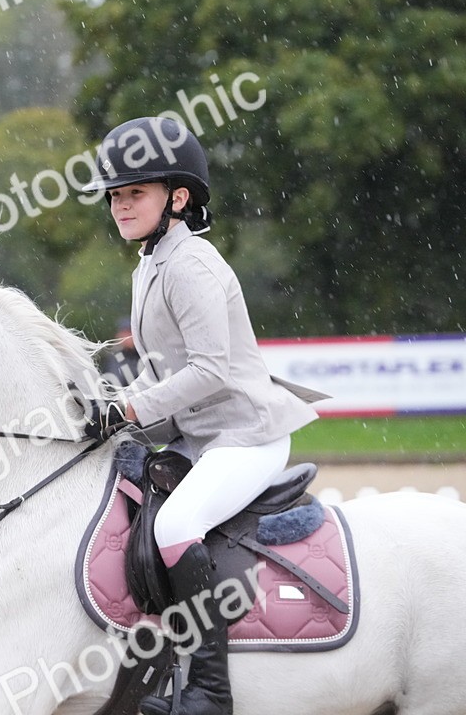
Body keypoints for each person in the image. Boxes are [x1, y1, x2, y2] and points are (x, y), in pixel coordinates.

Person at [82, 117, 327, 715]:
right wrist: (111, 404)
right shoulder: (151, 262)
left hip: (246, 436)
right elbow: (161, 368)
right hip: (204, 437)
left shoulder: (189, 265)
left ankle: (212, 690)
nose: (120, 205)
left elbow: (211, 371)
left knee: (174, 526)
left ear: (178, 197)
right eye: (115, 195)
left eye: (134, 192)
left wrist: (134, 407)